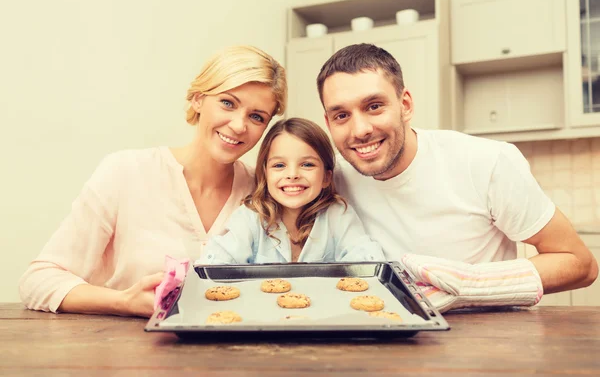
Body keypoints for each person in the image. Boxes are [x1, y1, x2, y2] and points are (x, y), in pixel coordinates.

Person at [316, 43, 598, 312]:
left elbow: (581, 265)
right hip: (387, 340)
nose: (360, 129)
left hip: (490, 343)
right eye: (341, 115)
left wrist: (471, 286)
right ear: (328, 124)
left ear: (405, 105)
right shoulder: (332, 180)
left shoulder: (487, 162)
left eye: (374, 106)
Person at [19, 45, 287, 318]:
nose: (239, 125)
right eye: (228, 103)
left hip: (237, 357)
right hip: (126, 352)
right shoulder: (125, 172)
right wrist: (124, 301)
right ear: (197, 99)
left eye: (256, 116)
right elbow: (38, 280)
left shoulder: (265, 191)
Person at [198, 118, 384, 264]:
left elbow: (367, 259)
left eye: (307, 164)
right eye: (279, 165)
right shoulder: (250, 218)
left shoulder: (337, 215)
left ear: (327, 177)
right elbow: (216, 262)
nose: (293, 175)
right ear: (265, 174)